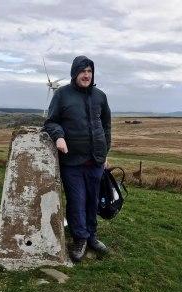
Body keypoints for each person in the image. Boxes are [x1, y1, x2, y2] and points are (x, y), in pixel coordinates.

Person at [44, 55, 111, 262]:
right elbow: (51, 122)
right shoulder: (62, 95)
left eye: (90, 71)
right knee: (77, 202)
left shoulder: (100, 96)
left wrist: (104, 151)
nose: (87, 75)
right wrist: (59, 137)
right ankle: (80, 239)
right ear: (75, 73)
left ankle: (92, 236)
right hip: (72, 162)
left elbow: (106, 126)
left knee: (92, 201)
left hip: (95, 162)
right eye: (83, 71)